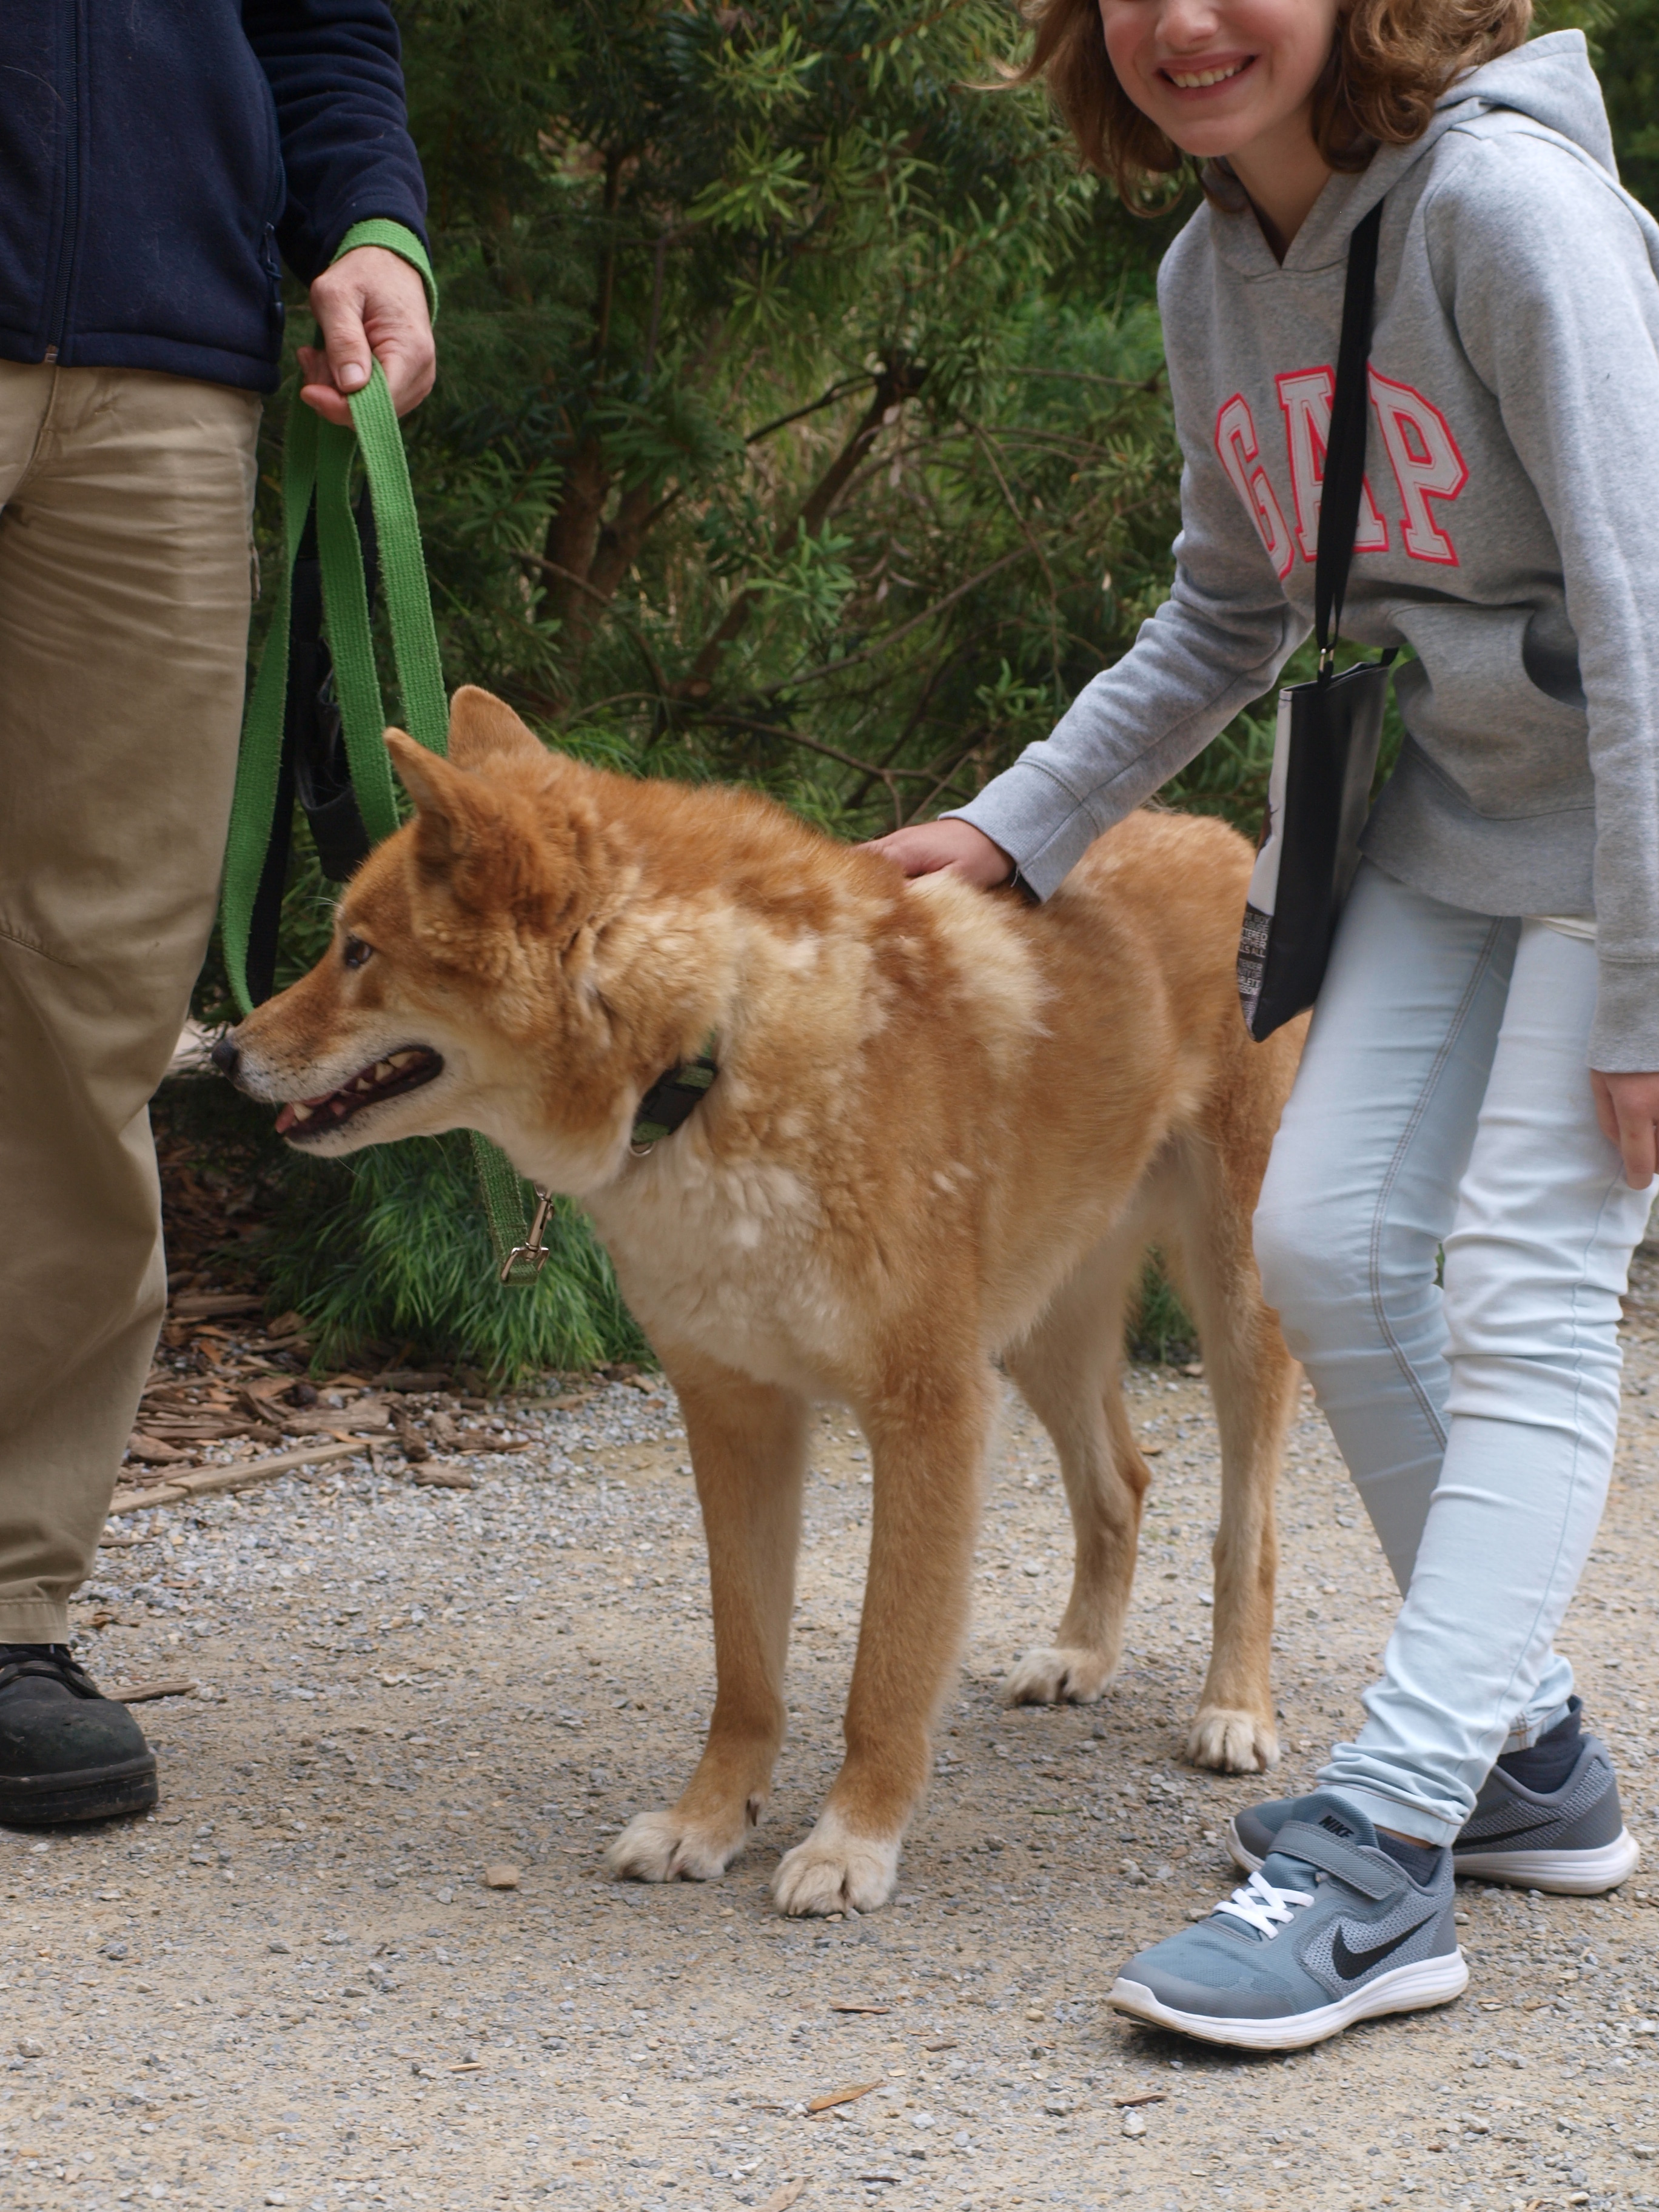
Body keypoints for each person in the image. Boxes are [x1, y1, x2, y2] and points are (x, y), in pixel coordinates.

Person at [873, 0, 1659, 2049]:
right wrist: (1017, 826)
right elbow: (1231, 607)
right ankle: (1530, 1757)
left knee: (1525, 1288)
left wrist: (1652, 990)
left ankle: (1386, 1850)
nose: (1186, 21)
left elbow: (1649, 604)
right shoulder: (1215, 269)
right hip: (1453, 815)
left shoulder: (1510, 213)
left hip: (1636, 820)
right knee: (1320, 1244)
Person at [0, 3, 434, 1828]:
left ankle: (8, 1604)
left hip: (165, 367)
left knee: (88, 1002)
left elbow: (322, 21)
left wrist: (372, 224)